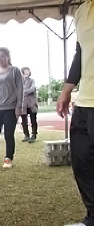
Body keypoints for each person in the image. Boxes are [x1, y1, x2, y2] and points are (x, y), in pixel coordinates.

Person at [56, 1, 94, 225]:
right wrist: (66, 91)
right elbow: (81, 54)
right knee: (83, 165)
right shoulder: (81, 10)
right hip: (84, 104)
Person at [20, 67, 38, 143]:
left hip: (31, 103)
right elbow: (17, 91)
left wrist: (23, 92)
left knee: (33, 120)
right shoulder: (19, 82)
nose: (26, 73)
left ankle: (34, 135)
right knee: (24, 121)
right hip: (23, 104)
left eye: (28, 71)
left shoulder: (32, 81)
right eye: (25, 71)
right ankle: (26, 135)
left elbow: (32, 89)